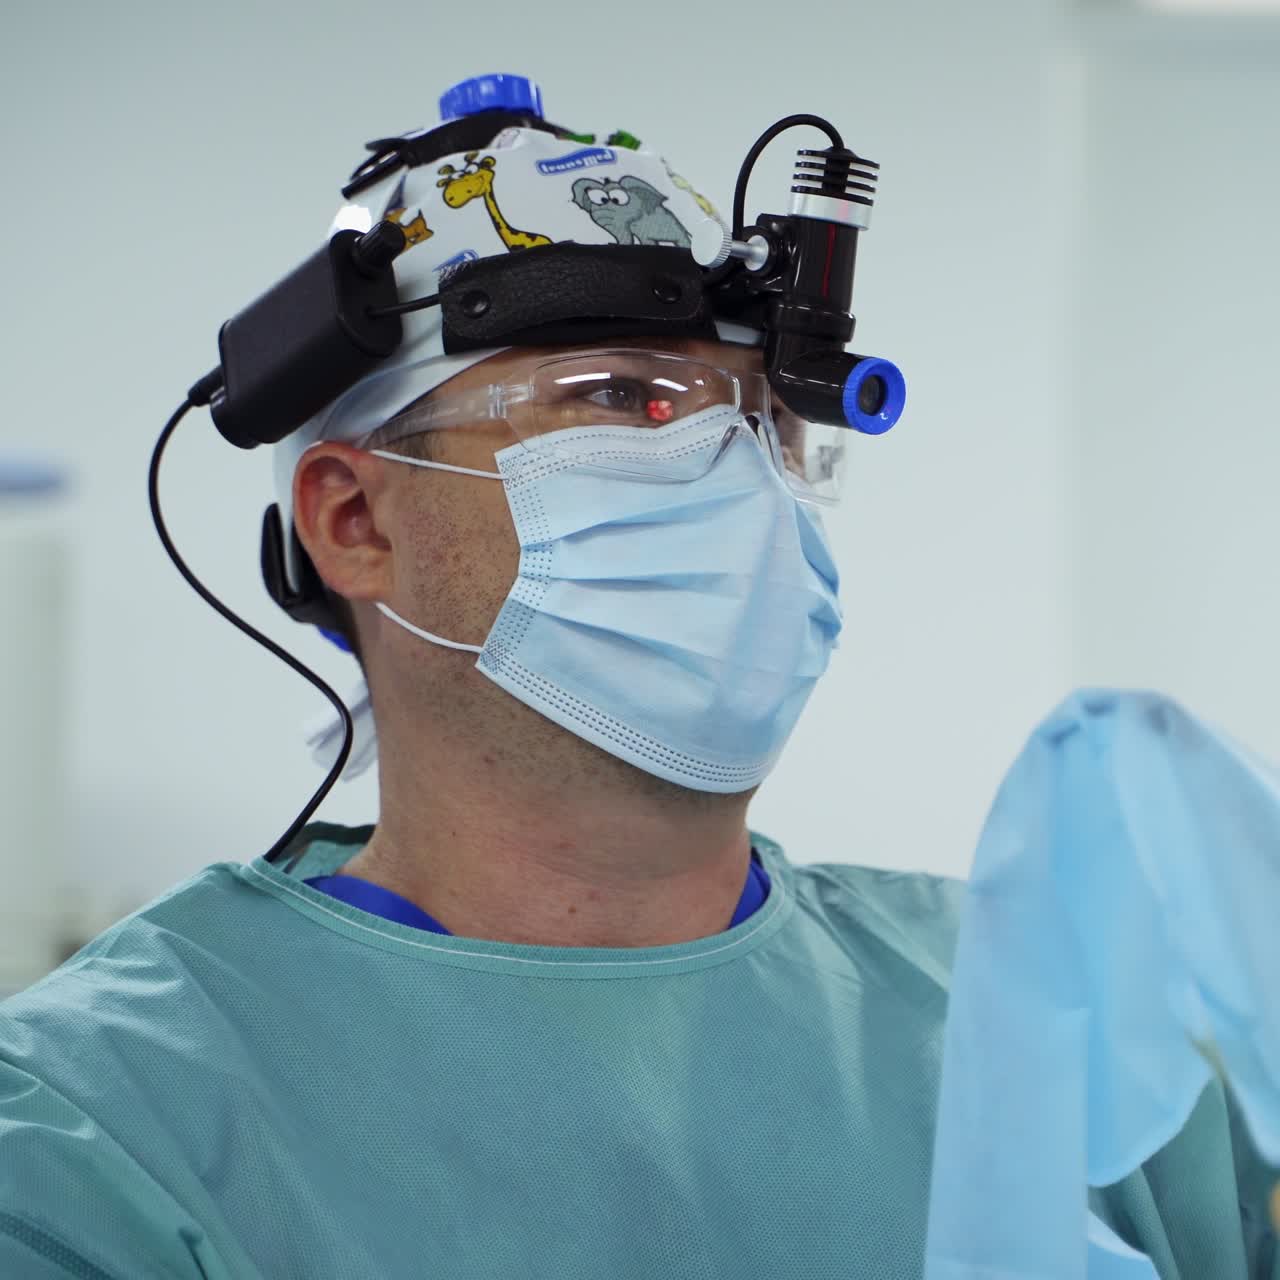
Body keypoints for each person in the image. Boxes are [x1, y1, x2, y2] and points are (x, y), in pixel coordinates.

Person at [0, 76, 1274, 1279]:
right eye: (620, 398)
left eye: (765, 424)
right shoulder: (100, 1129)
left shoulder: (1054, 1021)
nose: (734, 479)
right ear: (353, 521)